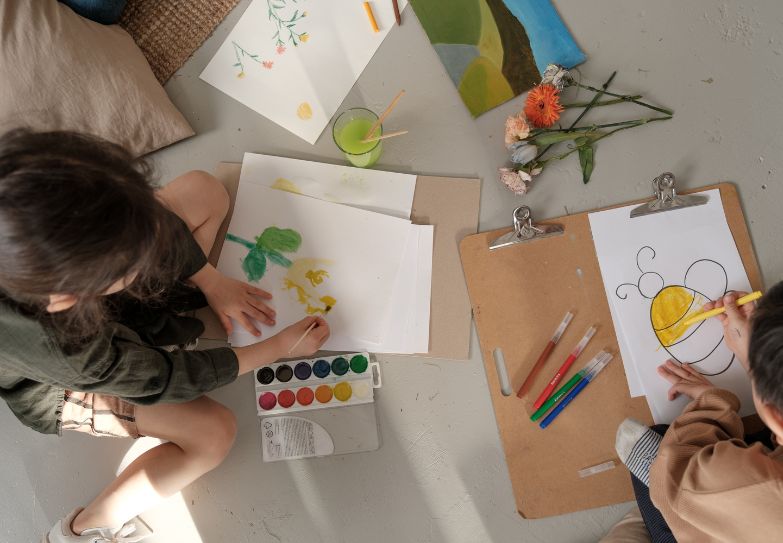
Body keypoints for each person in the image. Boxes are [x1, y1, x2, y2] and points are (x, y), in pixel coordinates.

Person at [0, 129, 330, 542]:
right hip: (57, 385)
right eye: (132, 261)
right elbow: (159, 379)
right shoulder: (68, 352)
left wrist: (211, 281)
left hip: (91, 304)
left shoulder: (26, 203)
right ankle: (84, 530)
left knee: (203, 190)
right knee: (214, 434)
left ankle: (152, 285)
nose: (148, 251)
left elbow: (153, 225)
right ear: (69, 296)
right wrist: (276, 348)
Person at [606, 283, 783, 542]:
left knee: (670, 464)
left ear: (776, 415)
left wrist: (711, 403)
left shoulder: (747, 484)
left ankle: (673, 468)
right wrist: (759, 359)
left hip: (724, 505)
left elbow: (675, 488)